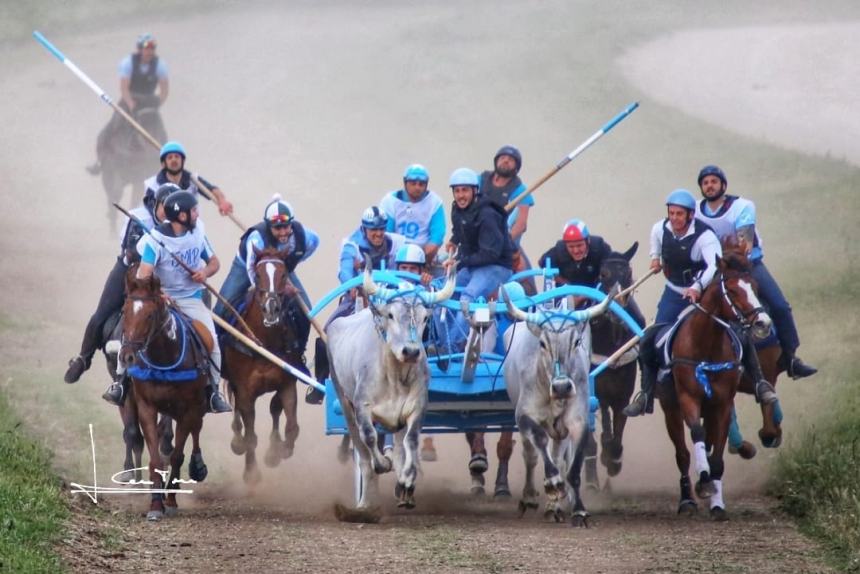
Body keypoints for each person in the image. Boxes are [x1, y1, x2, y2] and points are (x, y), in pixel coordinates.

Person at [623, 189, 777, 418]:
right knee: (649, 338)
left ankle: (760, 384)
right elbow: (655, 242)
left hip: (705, 292)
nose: (674, 218)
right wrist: (655, 257)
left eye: (679, 214)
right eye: (671, 213)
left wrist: (696, 288)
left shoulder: (705, 237)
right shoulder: (659, 228)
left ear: (690, 215)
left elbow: (713, 267)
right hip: (674, 293)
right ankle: (645, 394)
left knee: (739, 334)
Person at [695, 164, 816, 379]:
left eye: (714, 181)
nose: (710, 186)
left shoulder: (742, 207)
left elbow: (745, 245)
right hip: (715, 269)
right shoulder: (695, 210)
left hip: (747, 267)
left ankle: (790, 358)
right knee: (694, 310)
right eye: (705, 183)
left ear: (723, 184)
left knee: (779, 306)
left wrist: (728, 258)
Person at [64, 183, 177, 404]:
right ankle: (83, 358)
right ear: (156, 204)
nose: (170, 212)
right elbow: (129, 250)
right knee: (102, 313)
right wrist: (152, 244)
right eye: (166, 207)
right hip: (129, 270)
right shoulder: (138, 217)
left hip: (162, 274)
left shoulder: (178, 225)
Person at [135, 190, 231, 413]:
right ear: (181, 215)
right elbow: (143, 275)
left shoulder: (198, 233)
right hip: (161, 299)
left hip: (191, 299)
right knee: (133, 333)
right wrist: (158, 294)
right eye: (194, 210)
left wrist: (204, 273)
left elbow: (215, 262)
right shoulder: (155, 240)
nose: (197, 214)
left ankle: (213, 392)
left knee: (213, 343)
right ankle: (121, 380)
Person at [305, 207, 407, 405]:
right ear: (363, 229)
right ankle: (320, 384)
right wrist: (352, 285)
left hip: (393, 300)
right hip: (359, 298)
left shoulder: (397, 243)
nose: (378, 233)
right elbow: (344, 272)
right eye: (372, 230)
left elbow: (406, 268)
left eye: (381, 229)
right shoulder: (351, 245)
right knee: (326, 334)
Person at [214, 195, 319, 369]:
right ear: (269, 226)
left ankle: (298, 352)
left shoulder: (305, 236)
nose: (283, 232)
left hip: (281, 267)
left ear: (291, 223)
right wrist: (267, 289)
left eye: (286, 226)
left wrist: (290, 264)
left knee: (307, 310)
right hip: (248, 267)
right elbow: (250, 269)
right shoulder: (256, 239)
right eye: (277, 228)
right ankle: (217, 358)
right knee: (220, 310)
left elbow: (315, 243)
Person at [443, 167, 515, 351]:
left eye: (465, 190)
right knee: (444, 293)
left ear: (474, 191)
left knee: (467, 297)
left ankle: (453, 346)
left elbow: (490, 253)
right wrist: (453, 240)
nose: (460, 195)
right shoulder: (457, 208)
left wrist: (460, 262)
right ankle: (441, 343)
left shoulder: (487, 215)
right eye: (457, 191)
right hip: (474, 263)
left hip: (496, 266)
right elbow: (460, 229)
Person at [538, 219, 647, 327]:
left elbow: (611, 270)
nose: (576, 250)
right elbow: (543, 264)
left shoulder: (600, 247)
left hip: (597, 291)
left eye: (579, 245)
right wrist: (565, 284)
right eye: (571, 247)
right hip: (570, 293)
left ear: (588, 241)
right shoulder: (557, 252)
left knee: (638, 319)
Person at [88, 34, 169, 175]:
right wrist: (131, 105)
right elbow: (124, 89)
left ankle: (166, 164)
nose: (150, 51)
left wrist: (157, 105)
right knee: (108, 130)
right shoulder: (128, 63)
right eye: (146, 48)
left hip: (149, 103)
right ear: (139, 49)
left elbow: (164, 90)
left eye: (152, 48)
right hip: (130, 101)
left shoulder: (160, 65)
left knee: (162, 134)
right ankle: (100, 161)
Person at [479, 145, 536, 291]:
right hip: (477, 237)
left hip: (506, 241)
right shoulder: (480, 180)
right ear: (496, 161)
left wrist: (503, 239)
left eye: (511, 160)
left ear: (516, 167)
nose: (506, 161)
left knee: (525, 276)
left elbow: (521, 224)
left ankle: (531, 304)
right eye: (503, 158)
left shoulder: (521, 190)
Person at [380, 164, 446, 269]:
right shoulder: (390, 201)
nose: (417, 187)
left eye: (421, 184)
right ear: (405, 183)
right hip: (395, 257)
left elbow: (437, 235)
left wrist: (423, 259)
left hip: (424, 257)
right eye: (413, 183)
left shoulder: (435, 202)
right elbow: (386, 235)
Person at [144, 141, 234, 217]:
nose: (174, 160)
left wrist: (222, 201)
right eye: (170, 157)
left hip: (192, 231)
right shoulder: (152, 185)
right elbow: (157, 214)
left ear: (183, 161)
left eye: (177, 156)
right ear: (163, 163)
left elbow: (212, 190)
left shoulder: (193, 180)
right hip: (164, 233)